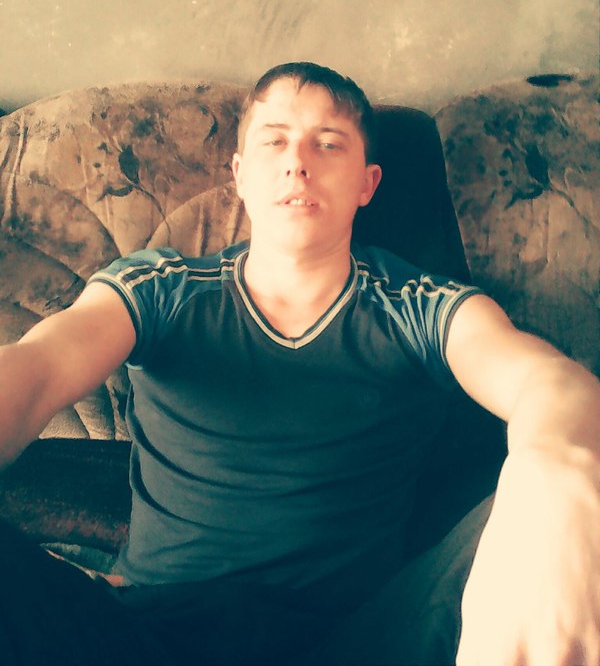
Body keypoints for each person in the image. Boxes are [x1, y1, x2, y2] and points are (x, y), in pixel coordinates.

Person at [0, 62, 598, 666]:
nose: (297, 162)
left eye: (327, 143)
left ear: (367, 183)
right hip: (152, 635)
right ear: (240, 174)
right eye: (274, 141)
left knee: (556, 495)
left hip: (365, 641)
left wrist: (558, 472)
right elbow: (38, 368)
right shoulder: (158, 288)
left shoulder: (421, 306)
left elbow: (544, 381)